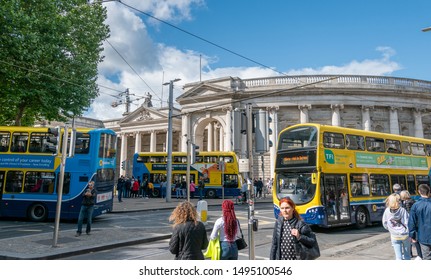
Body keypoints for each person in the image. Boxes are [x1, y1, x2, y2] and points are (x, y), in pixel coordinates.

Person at [382, 193, 411, 260]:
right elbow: (407, 221)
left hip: (394, 236)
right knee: (407, 256)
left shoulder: (387, 211)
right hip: (405, 235)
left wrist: (390, 229)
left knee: (398, 257)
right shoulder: (402, 210)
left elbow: (384, 223)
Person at [408, 184, 431, 260]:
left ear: (419, 192)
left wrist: (412, 235)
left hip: (423, 236)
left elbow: (412, 222)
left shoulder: (416, 205)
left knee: (426, 257)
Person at [400, 190, 421, 258]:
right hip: (413, 222)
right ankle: (417, 254)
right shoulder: (411, 201)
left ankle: (412, 254)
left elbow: (408, 213)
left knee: (411, 238)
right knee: (412, 239)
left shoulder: (407, 202)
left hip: (410, 222)